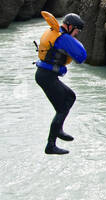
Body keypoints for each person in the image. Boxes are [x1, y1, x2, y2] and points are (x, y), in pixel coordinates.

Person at [34, 11, 87, 155]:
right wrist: (72, 41)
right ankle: (50, 145)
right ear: (70, 27)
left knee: (68, 99)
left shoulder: (54, 32)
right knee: (65, 104)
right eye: (77, 30)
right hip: (47, 77)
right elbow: (81, 56)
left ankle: (58, 130)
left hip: (44, 75)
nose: (76, 33)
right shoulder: (62, 38)